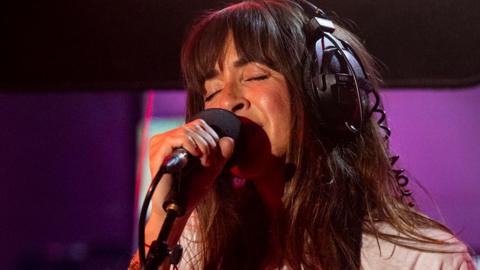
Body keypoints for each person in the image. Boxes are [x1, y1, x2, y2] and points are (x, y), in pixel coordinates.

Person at [130, 0, 476, 269]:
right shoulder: (192, 246)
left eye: (253, 76)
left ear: (324, 94)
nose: (226, 103)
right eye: (211, 91)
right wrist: (164, 219)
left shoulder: (418, 260)